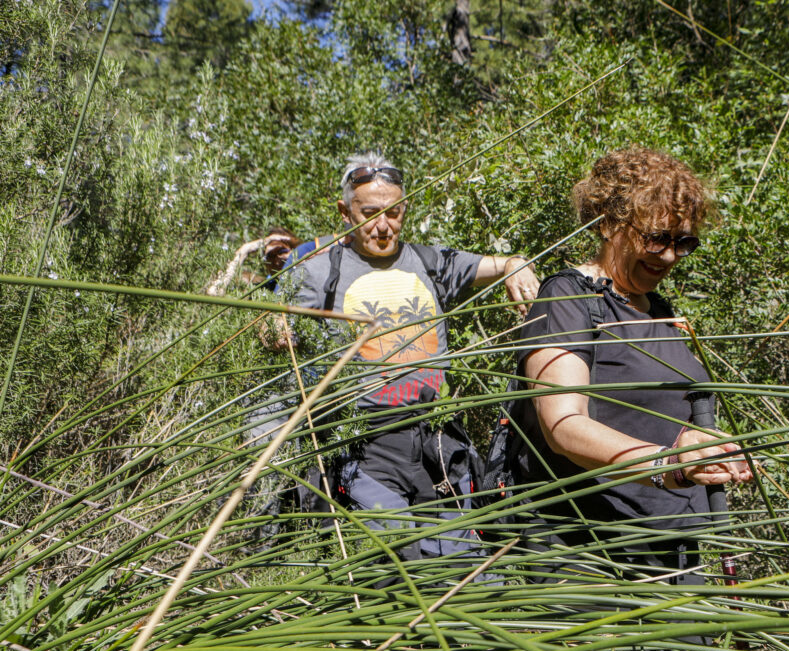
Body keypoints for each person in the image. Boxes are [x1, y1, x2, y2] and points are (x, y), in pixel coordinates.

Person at [281, 151, 540, 562]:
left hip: (435, 438)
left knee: (463, 562)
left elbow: (492, 266)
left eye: (394, 213)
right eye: (370, 213)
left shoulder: (426, 262)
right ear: (344, 212)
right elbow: (275, 322)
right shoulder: (318, 274)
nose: (384, 227)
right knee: (397, 554)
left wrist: (515, 266)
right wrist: (273, 329)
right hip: (365, 444)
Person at [511, 146, 753, 585]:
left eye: (684, 243)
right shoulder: (569, 299)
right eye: (656, 237)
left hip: (675, 551)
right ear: (608, 224)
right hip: (588, 557)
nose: (669, 257)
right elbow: (563, 427)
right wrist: (671, 465)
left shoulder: (661, 310)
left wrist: (712, 453)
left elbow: (658, 418)